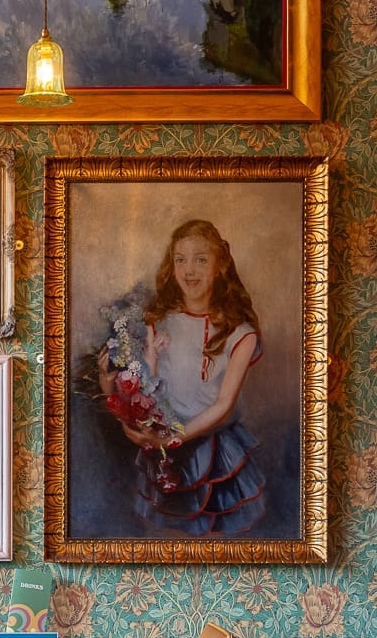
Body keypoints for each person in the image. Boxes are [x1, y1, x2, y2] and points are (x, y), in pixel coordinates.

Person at [99, 219, 266, 534]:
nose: (190, 269)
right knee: (167, 538)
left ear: (220, 266)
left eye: (201, 259)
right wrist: (110, 390)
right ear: (171, 266)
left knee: (216, 541)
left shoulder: (240, 334)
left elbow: (224, 405)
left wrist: (171, 438)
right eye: (181, 260)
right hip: (163, 451)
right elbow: (146, 387)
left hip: (215, 452)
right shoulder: (157, 322)